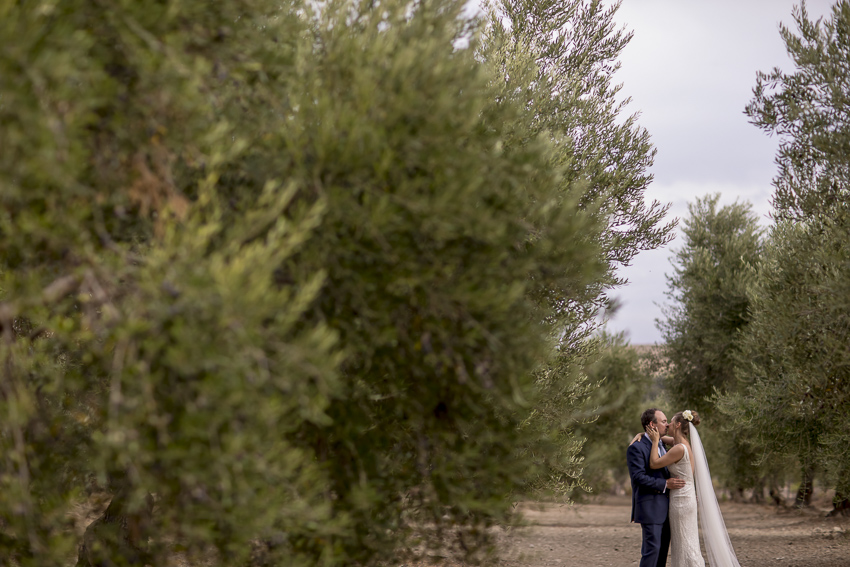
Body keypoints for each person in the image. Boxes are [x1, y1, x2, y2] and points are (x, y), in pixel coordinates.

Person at [632, 410, 743, 567]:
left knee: (685, 544)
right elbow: (659, 436)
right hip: (686, 496)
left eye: (669, 421)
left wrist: (655, 441)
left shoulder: (679, 448)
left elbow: (654, 463)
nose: (668, 424)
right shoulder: (682, 443)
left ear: (678, 425)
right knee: (686, 543)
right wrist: (642, 433)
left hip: (681, 500)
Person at [627, 408, 686, 567]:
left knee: (661, 554)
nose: (667, 425)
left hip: (668, 508)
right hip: (650, 508)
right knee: (652, 551)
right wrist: (665, 484)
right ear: (652, 424)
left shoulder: (661, 443)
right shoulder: (636, 447)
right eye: (664, 421)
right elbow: (638, 477)